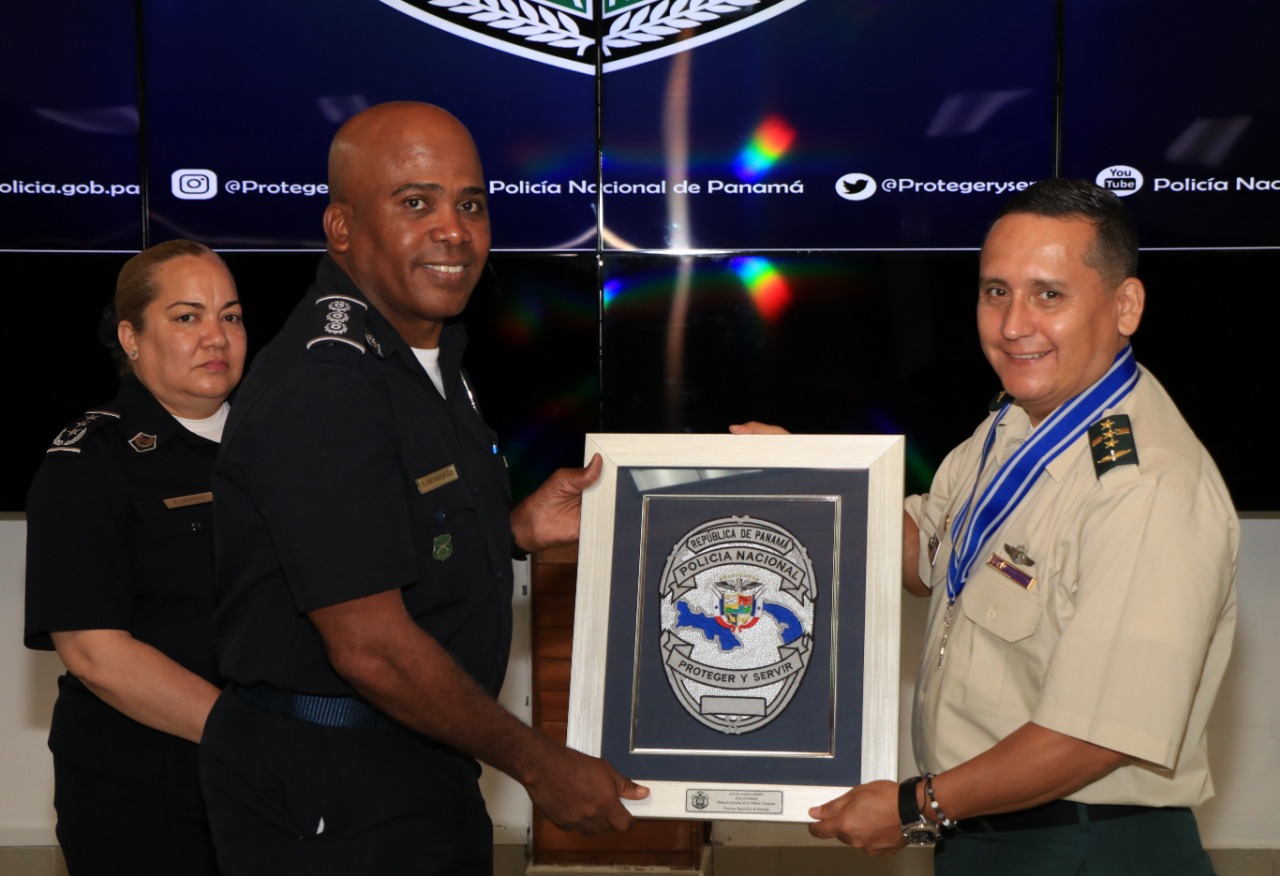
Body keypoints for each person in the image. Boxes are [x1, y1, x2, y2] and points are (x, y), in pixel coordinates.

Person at [735, 179, 1237, 873]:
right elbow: (929, 557)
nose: (1012, 325)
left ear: (1126, 305)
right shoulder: (1013, 426)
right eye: (996, 291)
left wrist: (914, 807)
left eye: (1049, 294)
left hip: (1085, 847)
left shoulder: (1148, 486)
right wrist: (813, 485)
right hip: (992, 834)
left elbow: (1095, 736)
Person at [200, 101, 645, 875]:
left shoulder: (424, 362)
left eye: (471, 205)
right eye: (416, 202)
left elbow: (390, 535)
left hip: (413, 771)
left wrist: (514, 531)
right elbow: (371, 646)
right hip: (333, 794)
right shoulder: (326, 385)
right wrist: (540, 763)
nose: (454, 230)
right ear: (341, 227)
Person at [25, 240, 245, 875]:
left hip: (278, 784)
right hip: (144, 792)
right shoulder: (88, 460)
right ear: (132, 337)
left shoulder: (283, 445)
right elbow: (95, 653)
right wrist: (251, 737)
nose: (216, 337)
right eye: (187, 317)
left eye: (230, 316)